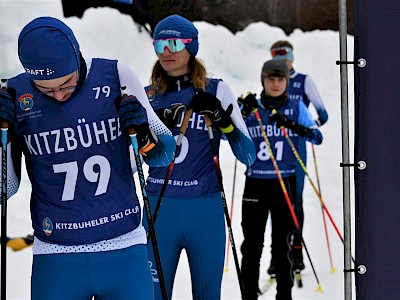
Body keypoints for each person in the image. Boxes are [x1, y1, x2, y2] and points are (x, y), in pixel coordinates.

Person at [0, 16, 175, 300]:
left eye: (67, 83)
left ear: (77, 55)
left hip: (124, 249)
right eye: (45, 89)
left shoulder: (117, 77)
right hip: (56, 255)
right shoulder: (16, 94)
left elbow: (164, 155)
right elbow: (5, 188)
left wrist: (143, 134)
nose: (58, 95)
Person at [143, 14, 256, 300]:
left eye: (173, 43)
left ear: (191, 47)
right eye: (159, 45)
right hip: (160, 208)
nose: (165, 52)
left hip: (204, 210)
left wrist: (223, 119)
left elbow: (249, 156)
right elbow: (138, 157)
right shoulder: (148, 95)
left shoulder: (216, 90)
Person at [238, 59, 323, 300]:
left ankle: (284, 295)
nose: (275, 84)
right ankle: (248, 294)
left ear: (287, 81)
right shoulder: (251, 106)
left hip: (284, 182)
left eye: (280, 79)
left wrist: (291, 125)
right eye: (271, 79)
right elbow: (227, 137)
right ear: (263, 80)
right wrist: (242, 111)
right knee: (251, 246)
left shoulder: (296, 107)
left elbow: (317, 137)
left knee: (281, 245)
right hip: (255, 183)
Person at [268, 40, 329, 274]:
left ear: (293, 57)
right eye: (276, 54)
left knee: (295, 199)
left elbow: (322, 114)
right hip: (275, 147)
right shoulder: (271, 81)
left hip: (297, 147)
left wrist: (307, 128)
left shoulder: (304, 81)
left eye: (285, 54)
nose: (281, 59)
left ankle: (296, 252)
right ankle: (277, 256)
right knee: (275, 200)